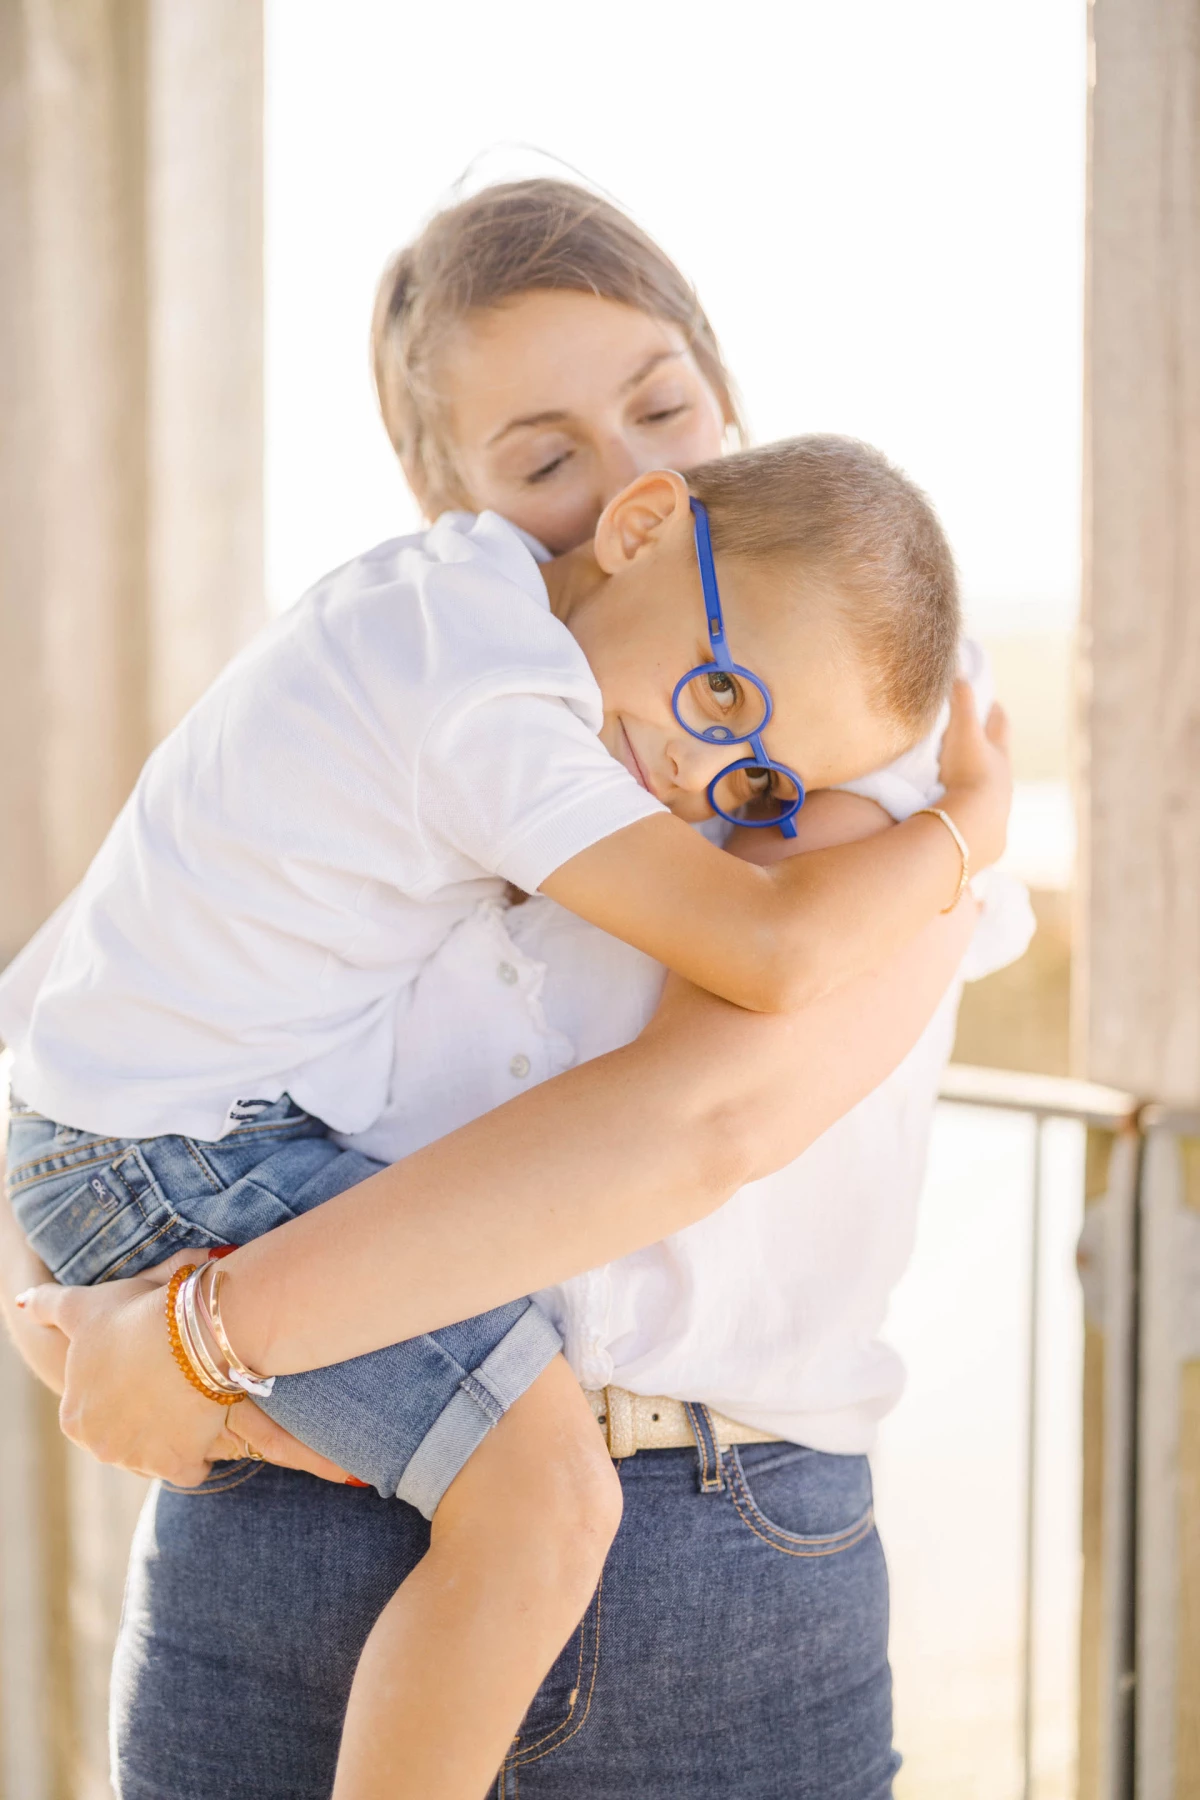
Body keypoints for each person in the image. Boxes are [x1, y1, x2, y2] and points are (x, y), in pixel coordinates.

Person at [2, 180, 1030, 1799]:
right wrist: (82, 1337)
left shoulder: (844, 683)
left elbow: (702, 1118)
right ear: (449, 500)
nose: (639, 478)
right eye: (547, 460)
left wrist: (197, 1337)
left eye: (666, 404)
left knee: (542, 1498)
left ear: (722, 384)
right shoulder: (449, 687)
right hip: (287, 1525)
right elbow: (61, 1039)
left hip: (715, 1555)